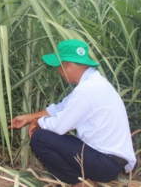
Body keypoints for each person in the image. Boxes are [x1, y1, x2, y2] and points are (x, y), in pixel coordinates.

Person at [10, 39, 136, 187]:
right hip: (107, 161)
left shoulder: (86, 90)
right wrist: (27, 118)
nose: (58, 71)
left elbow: (58, 127)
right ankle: (83, 180)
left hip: (104, 163)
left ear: (65, 65)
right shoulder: (94, 83)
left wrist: (38, 121)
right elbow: (59, 108)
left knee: (40, 137)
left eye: (57, 66)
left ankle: (81, 183)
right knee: (53, 135)